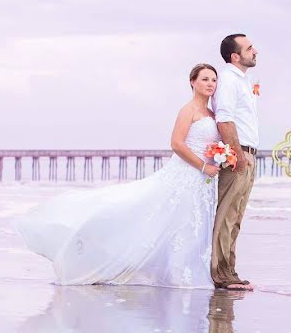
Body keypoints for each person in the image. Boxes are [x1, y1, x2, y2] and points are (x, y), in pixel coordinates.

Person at [14, 64, 223, 288]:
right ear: (193, 82)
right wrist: (203, 166)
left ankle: (184, 271)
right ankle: (173, 273)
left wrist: (221, 156)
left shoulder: (212, 113)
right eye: (205, 79)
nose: (210, 84)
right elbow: (176, 144)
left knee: (191, 224)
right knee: (164, 218)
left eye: (213, 80)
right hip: (187, 175)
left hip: (203, 181)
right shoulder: (188, 110)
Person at [211, 34, 260, 291]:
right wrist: (239, 158)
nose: (255, 51)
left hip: (248, 154)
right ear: (235, 56)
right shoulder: (229, 80)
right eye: (250, 48)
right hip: (239, 154)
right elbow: (224, 119)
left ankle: (229, 270)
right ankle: (221, 274)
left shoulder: (243, 80)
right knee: (227, 215)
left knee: (236, 216)